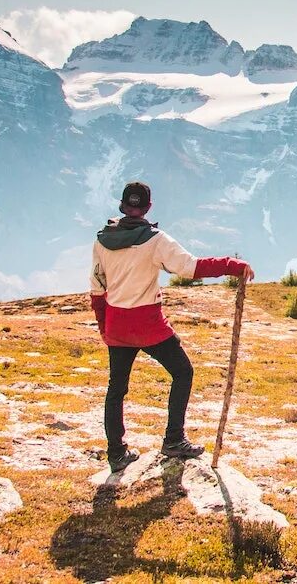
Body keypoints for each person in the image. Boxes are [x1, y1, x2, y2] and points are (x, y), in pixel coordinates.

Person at [89, 180, 253, 472]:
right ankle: (173, 440)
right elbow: (191, 268)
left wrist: (104, 327)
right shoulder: (155, 240)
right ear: (148, 208)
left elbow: (97, 290)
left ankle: (116, 453)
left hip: (117, 325)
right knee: (182, 372)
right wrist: (232, 265)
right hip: (148, 325)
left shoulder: (102, 240)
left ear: (122, 206)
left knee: (116, 388)